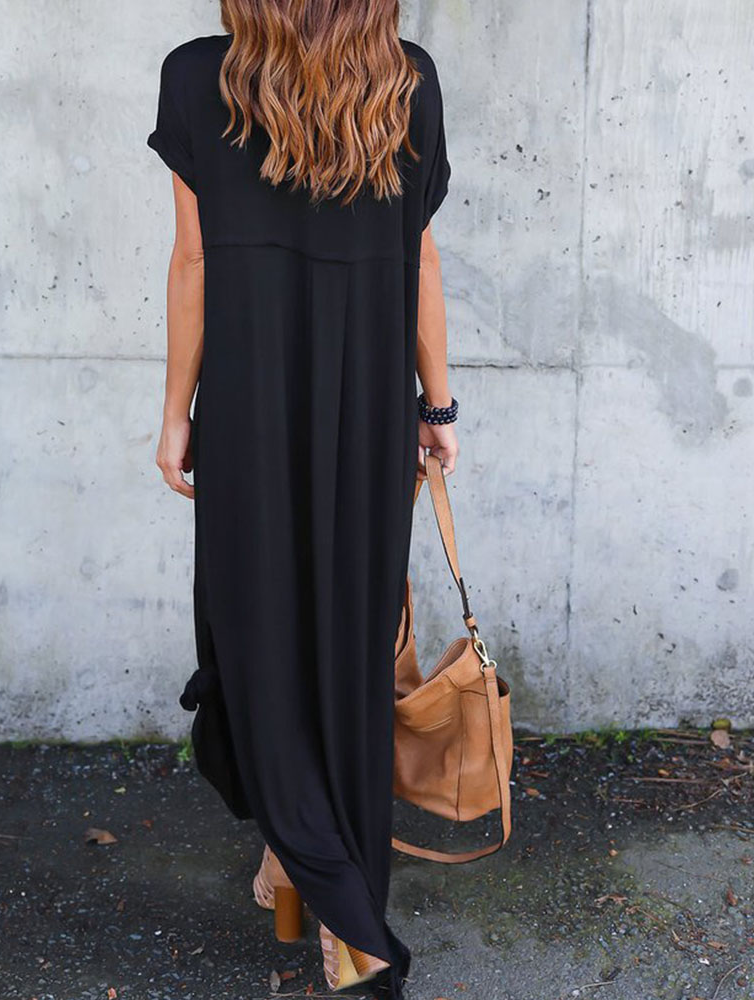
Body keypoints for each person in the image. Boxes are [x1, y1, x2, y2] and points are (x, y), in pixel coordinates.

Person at [146, 3, 456, 996]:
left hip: (249, 406)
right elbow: (417, 258)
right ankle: (313, 872)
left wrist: (175, 412)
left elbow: (194, 260)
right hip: (366, 409)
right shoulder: (404, 80)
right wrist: (436, 404)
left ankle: (325, 890)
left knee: (254, 634)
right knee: (345, 641)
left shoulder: (199, 76)